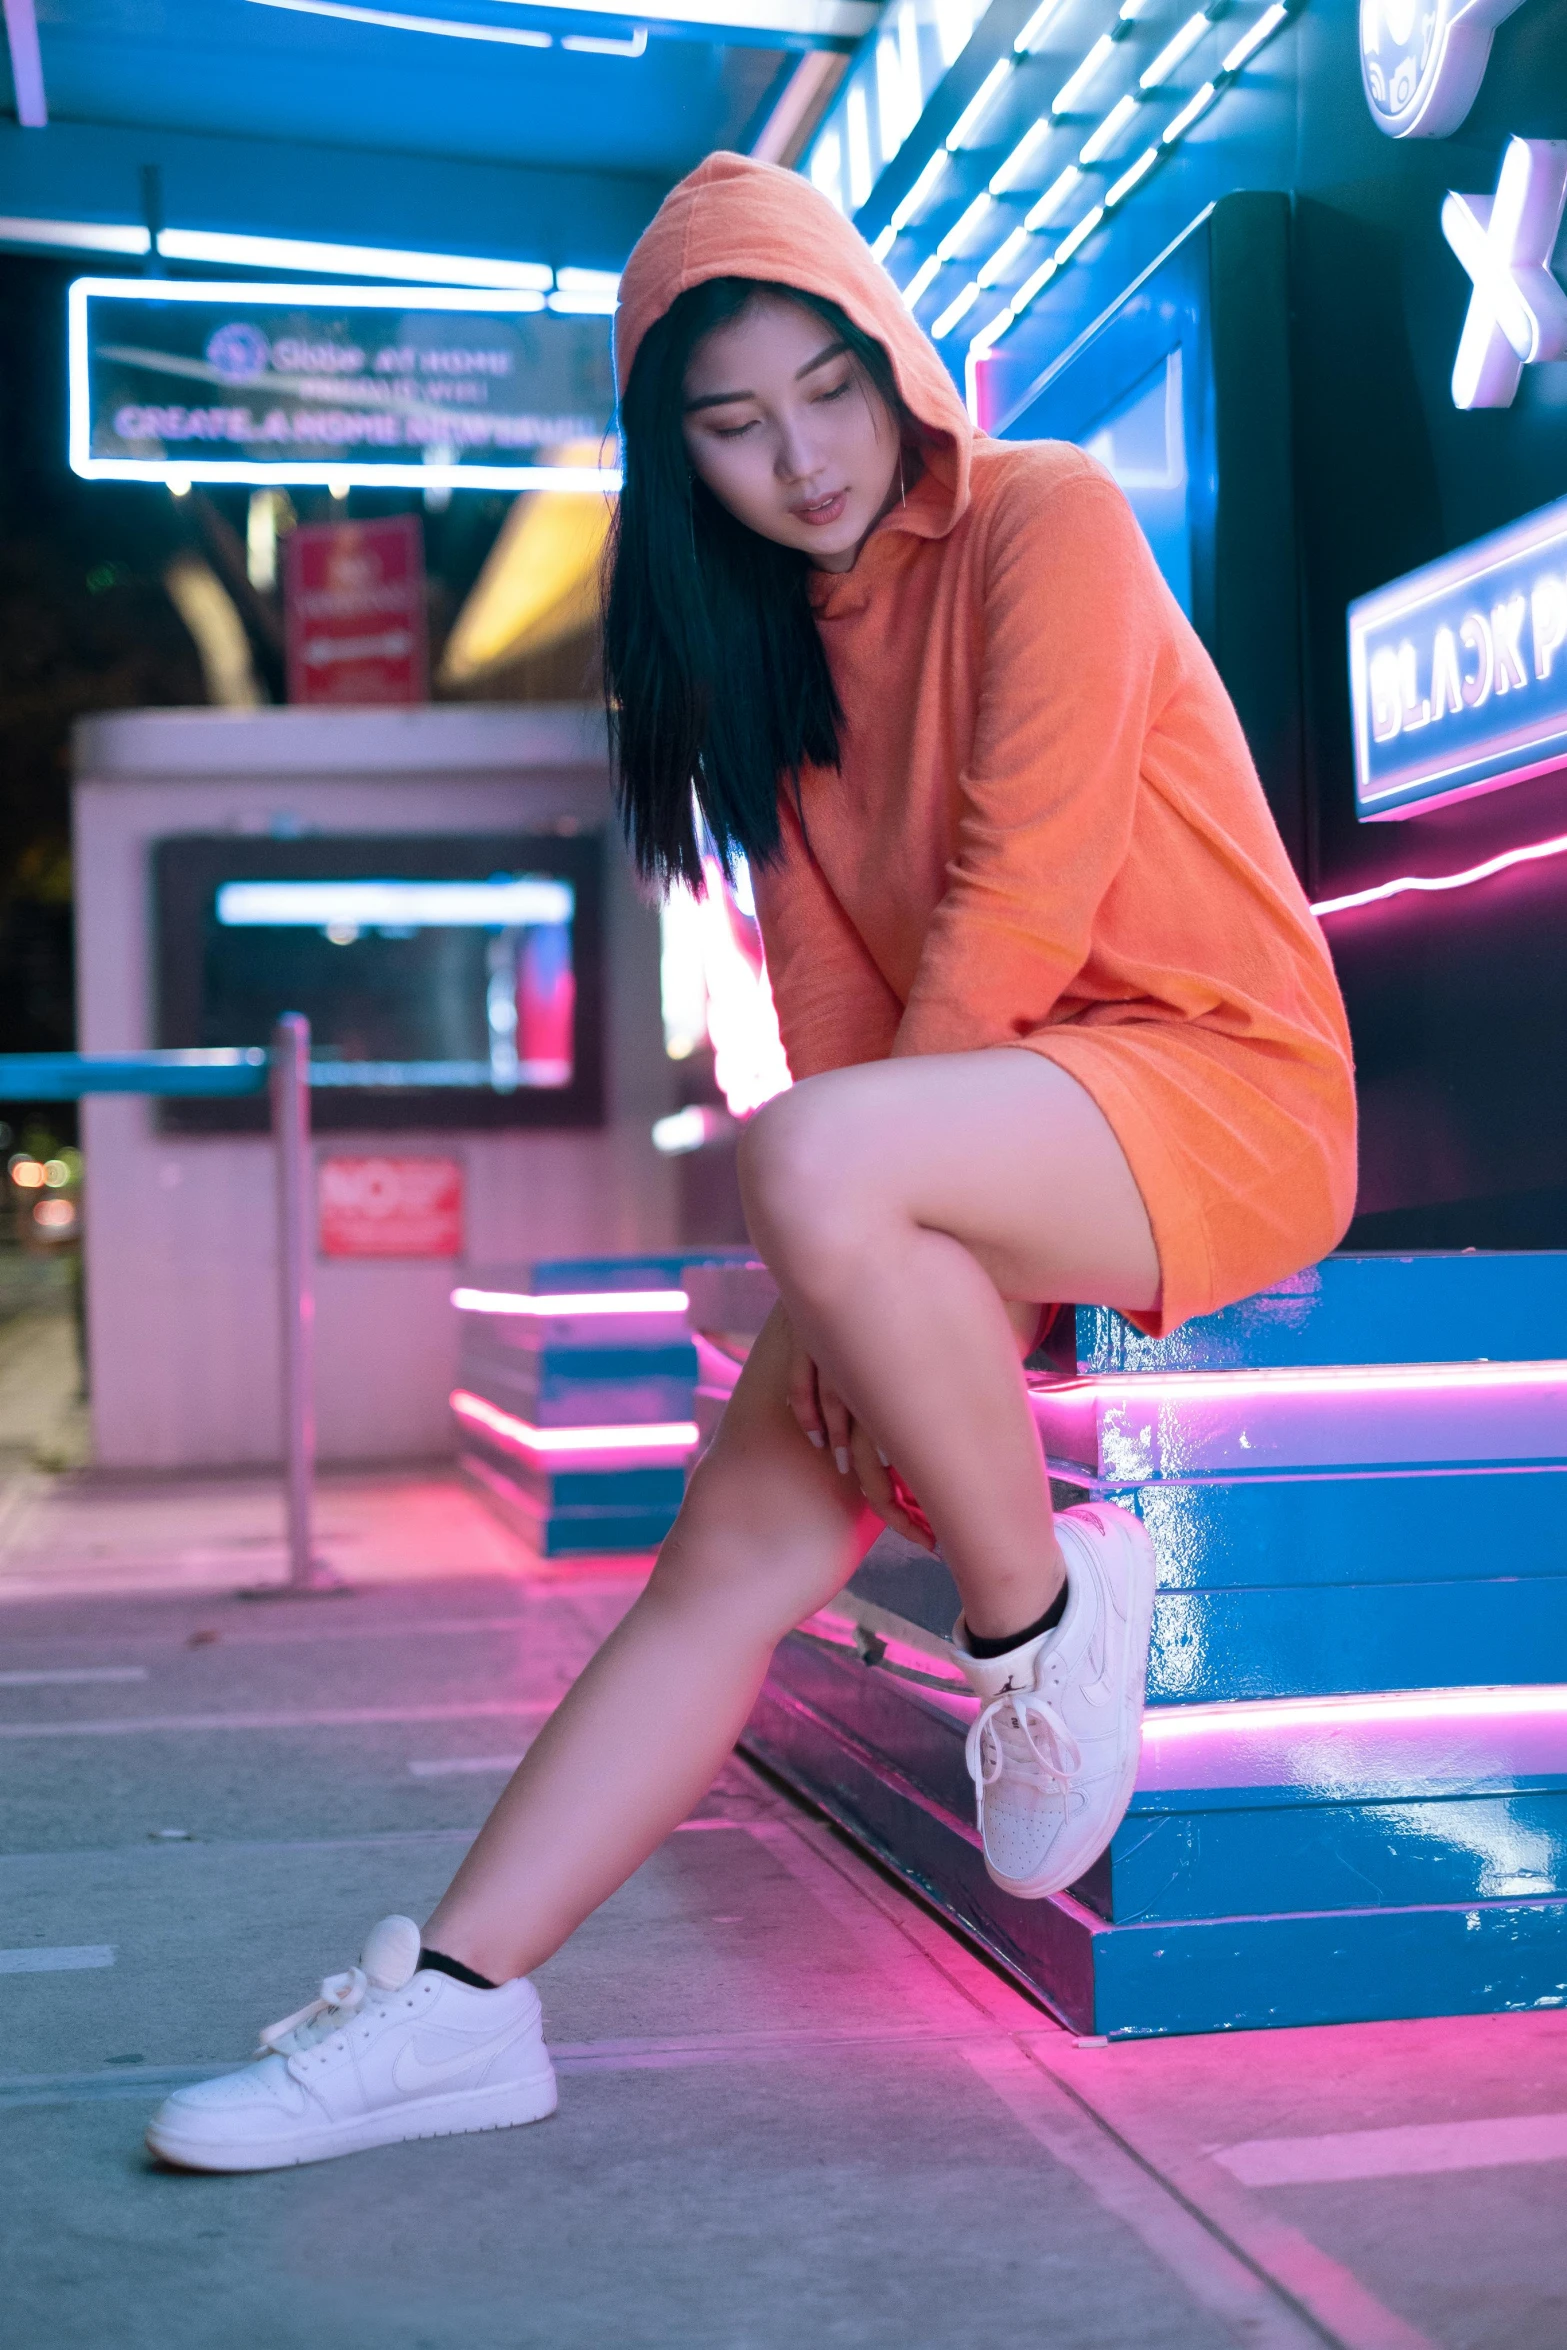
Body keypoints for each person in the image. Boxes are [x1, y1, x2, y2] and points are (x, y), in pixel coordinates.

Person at [145, 153, 1356, 2173]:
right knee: (726, 1548)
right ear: (670, 452)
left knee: (814, 1158)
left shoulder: (1046, 515)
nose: (798, 454)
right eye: (731, 422)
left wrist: (851, 1211)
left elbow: (1015, 900)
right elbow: (824, 996)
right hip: (959, 1126)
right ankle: (455, 2002)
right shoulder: (759, 665)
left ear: (891, 359)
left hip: (1205, 1079)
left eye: (828, 387)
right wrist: (848, 1293)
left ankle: (1037, 1616)